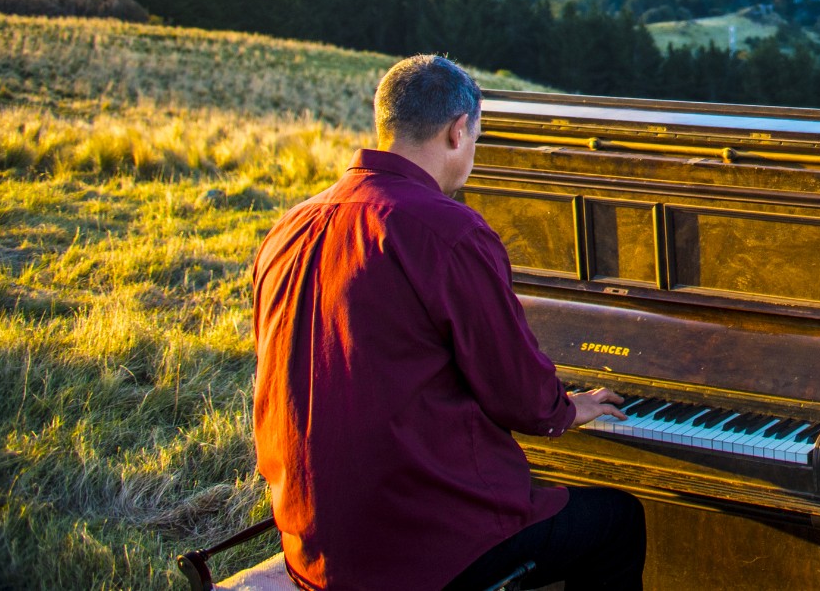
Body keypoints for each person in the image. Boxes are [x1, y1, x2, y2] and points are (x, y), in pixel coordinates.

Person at [252, 54, 645, 591]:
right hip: (417, 544)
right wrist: (568, 407)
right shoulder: (446, 230)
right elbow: (518, 394)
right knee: (619, 523)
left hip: (313, 535)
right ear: (458, 131)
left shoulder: (290, 227)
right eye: (477, 141)